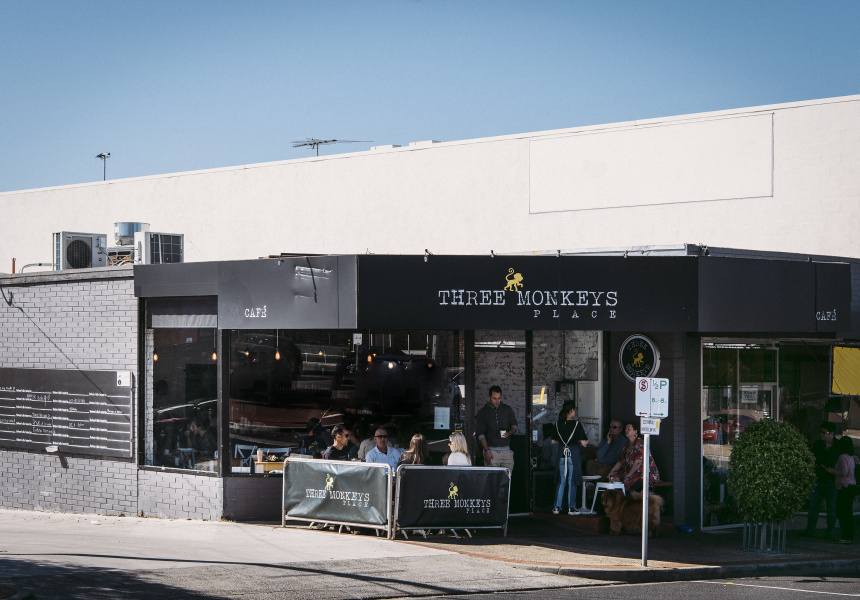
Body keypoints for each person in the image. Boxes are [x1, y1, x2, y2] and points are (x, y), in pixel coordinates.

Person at [802, 422, 840, 538]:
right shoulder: (818, 444)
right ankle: (810, 530)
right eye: (820, 432)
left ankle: (830, 532)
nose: (821, 434)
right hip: (819, 479)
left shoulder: (839, 446)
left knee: (831, 508)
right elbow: (812, 457)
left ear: (831, 434)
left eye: (824, 433)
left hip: (831, 481)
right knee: (813, 506)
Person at [551, 401, 589, 515]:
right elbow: (583, 442)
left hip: (561, 455)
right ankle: (571, 508)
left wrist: (564, 443)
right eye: (574, 410)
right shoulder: (576, 424)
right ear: (572, 410)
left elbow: (553, 441)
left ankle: (556, 507)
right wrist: (586, 441)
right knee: (572, 481)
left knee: (561, 481)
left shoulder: (557, 424)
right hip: (573, 455)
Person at [608, 421, 660, 493]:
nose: (626, 431)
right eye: (626, 429)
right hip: (631, 473)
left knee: (627, 481)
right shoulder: (627, 445)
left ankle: (625, 497)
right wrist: (611, 472)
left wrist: (629, 474)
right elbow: (621, 461)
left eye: (629, 429)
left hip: (642, 474)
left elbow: (638, 462)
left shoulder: (639, 443)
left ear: (635, 431)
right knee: (613, 476)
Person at [475, 385, 518, 470]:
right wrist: (487, 450)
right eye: (494, 398)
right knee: (492, 478)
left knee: (507, 477)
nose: (497, 401)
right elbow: (480, 434)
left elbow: (514, 426)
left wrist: (509, 433)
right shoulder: (482, 412)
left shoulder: (507, 409)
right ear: (489, 397)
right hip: (491, 451)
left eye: (499, 398)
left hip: (506, 451)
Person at [826, 435, 856, 544]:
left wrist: (832, 471)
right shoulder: (851, 457)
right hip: (851, 485)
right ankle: (848, 536)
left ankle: (845, 536)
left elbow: (843, 472)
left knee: (842, 511)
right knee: (848, 512)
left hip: (844, 486)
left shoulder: (842, 457)